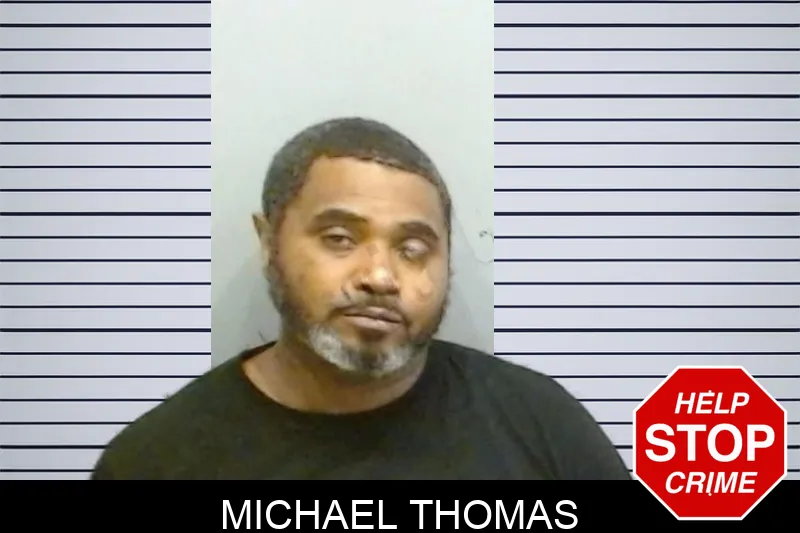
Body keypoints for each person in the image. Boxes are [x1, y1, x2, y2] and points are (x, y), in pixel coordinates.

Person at [90, 117, 630, 480]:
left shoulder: (538, 425)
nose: (379, 276)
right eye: (339, 239)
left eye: (413, 249)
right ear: (269, 241)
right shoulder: (156, 462)